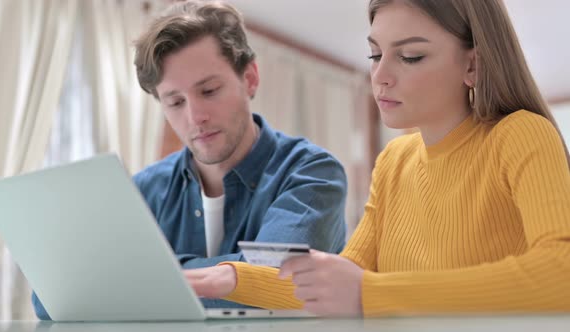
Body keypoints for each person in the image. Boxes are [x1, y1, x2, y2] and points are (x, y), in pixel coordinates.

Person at [185, 0, 570, 317]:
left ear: (473, 65)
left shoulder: (520, 134)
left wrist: (372, 293)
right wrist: (232, 277)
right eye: (374, 53)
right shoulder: (395, 160)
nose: (380, 75)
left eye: (411, 56)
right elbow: (347, 276)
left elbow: (561, 273)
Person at [32, 0, 347, 319]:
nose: (196, 117)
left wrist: (130, 277)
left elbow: (272, 285)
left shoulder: (312, 173)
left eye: (209, 91)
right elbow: (51, 298)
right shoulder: (145, 189)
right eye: (175, 102)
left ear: (249, 78)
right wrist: (225, 275)